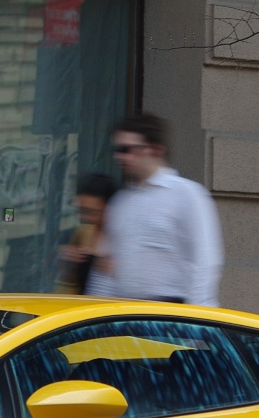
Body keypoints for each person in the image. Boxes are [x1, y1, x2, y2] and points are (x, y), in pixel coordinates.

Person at [87, 113, 223, 306]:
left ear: (155, 149)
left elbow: (205, 261)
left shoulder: (187, 195)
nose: (119, 156)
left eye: (126, 149)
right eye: (117, 149)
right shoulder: (120, 203)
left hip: (171, 315)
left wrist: (198, 322)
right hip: (125, 314)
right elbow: (106, 269)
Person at [56, 173, 118, 294]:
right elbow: (68, 283)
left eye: (93, 212)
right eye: (82, 211)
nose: (86, 218)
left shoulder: (126, 237)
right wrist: (67, 262)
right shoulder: (83, 233)